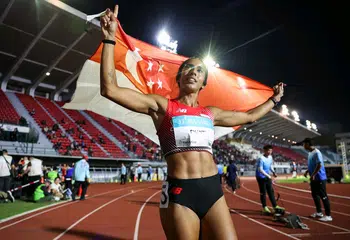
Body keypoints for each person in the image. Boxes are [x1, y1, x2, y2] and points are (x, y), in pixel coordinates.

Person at [100, 5, 284, 239]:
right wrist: (109, 39)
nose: (193, 72)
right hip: (180, 192)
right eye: (188, 67)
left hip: (212, 191)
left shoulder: (211, 113)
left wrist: (274, 101)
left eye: (199, 70)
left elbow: (248, 116)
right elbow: (110, 89)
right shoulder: (163, 106)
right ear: (179, 76)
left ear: (203, 83)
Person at [302, 138, 332, 222]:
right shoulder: (310, 153)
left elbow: (319, 165)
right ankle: (319, 212)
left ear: (307, 144)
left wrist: (313, 175)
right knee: (315, 195)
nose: (303, 146)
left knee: (323, 196)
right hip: (314, 178)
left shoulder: (317, 152)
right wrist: (307, 171)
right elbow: (312, 164)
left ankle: (328, 215)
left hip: (320, 178)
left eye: (304, 144)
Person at [255, 145, 285, 214]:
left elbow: (270, 165)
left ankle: (275, 206)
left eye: (271, 150)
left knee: (271, 191)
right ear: (264, 150)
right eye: (268, 150)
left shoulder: (270, 157)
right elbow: (260, 169)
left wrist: (273, 172)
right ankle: (264, 207)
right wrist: (268, 175)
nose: (270, 152)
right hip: (260, 176)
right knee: (263, 192)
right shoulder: (261, 158)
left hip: (267, 176)